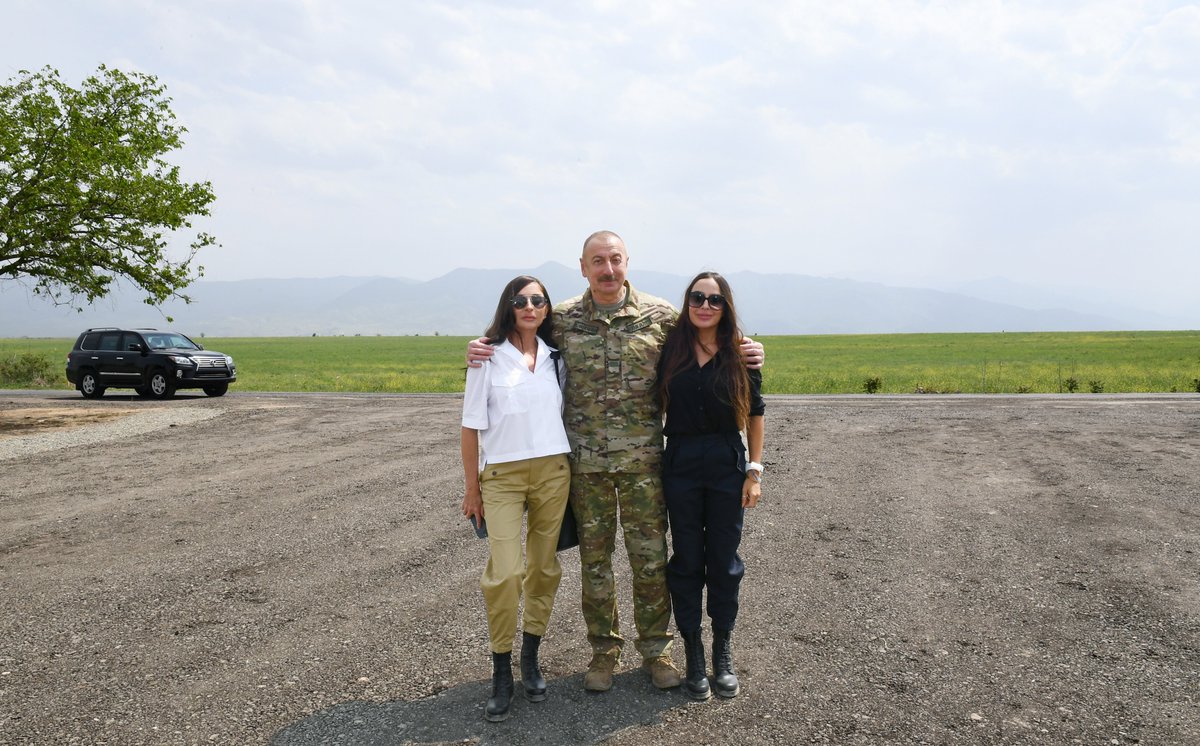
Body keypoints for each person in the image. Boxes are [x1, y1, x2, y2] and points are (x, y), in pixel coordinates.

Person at [468, 231, 764, 693]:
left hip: (647, 464)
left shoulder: (660, 316)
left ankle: (656, 652)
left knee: (649, 561)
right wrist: (478, 348)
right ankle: (603, 654)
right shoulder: (561, 318)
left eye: (616, 260)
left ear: (628, 263)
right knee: (595, 563)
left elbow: (708, 331)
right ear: (583, 267)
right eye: (598, 261)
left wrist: (748, 347)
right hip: (585, 468)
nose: (608, 269)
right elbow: (518, 338)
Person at [461, 275, 572, 722]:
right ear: (509, 306)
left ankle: (531, 655)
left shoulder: (556, 358)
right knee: (506, 573)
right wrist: (473, 488)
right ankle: (501, 668)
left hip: (553, 472)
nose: (530, 306)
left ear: (546, 310)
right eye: (521, 300)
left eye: (538, 300)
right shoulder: (485, 357)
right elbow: (470, 427)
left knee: (544, 569)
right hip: (502, 476)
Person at [657, 272, 765, 701]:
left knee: (723, 560)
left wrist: (754, 471)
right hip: (680, 460)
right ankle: (693, 654)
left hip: (725, 462)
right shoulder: (670, 349)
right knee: (686, 559)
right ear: (687, 303)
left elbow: (755, 412)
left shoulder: (742, 353)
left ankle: (722, 649)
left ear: (726, 306)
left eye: (715, 299)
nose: (705, 305)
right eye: (697, 297)